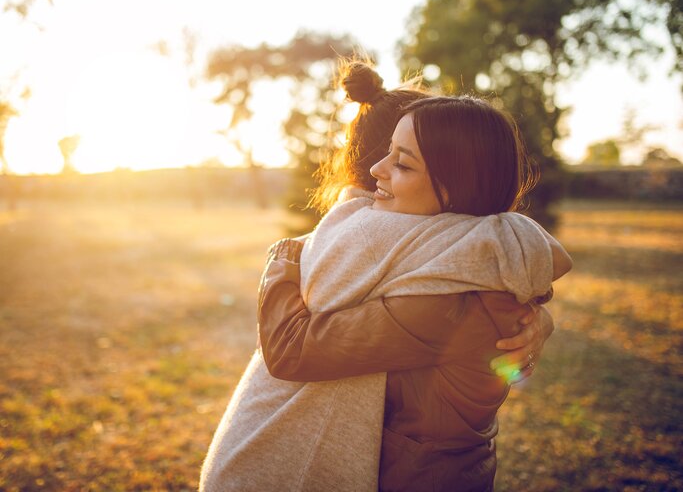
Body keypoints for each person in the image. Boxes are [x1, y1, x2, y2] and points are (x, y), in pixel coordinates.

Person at [200, 62, 568, 492]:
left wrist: (287, 253)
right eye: (386, 153)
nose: (377, 171)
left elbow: (291, 349)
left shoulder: (449, 299)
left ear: (458, 184)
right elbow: (523, 255)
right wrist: (541, 315)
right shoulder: (458, 258)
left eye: (404, 164)